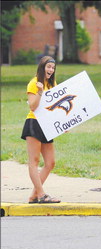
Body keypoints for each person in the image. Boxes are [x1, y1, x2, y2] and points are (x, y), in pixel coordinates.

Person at [21, 56, 61, 204]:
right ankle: (42, 195)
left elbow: (54, 107)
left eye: (52, 67)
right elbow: (33, 106)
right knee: (34, 161)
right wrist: (39, 92)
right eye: (48, 67)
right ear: (42, 67)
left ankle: (34, 195)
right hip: (34, 123)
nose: (50, 70)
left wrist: (62, 123)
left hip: (47, 125)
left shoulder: (52, 84)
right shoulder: (34, 83)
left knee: (50, 163)